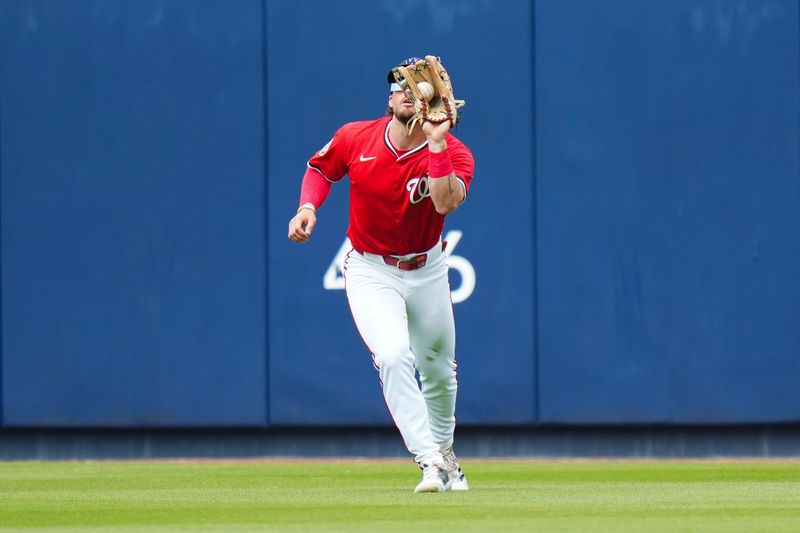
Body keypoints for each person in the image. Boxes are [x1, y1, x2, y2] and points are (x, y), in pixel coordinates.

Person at [288, 57, 474, 493]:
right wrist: (307, 206)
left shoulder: (456, 152)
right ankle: (430, 462)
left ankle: (446, 453)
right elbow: (320, 168)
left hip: (426, 269)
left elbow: (446, 202)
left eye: (419, 89)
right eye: (402, 89)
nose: (410, 95)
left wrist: (437, 144)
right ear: (389, 99)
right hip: (371, 267)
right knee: (392, 355)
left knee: (439, 371)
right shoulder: (357, 137)